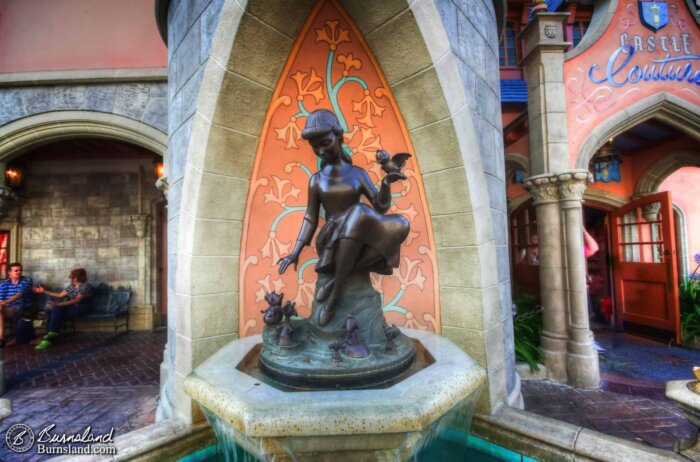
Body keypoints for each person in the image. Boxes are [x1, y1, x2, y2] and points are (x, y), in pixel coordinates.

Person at [278, 109, 409, 327]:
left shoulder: (358, 173)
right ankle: (334, 299)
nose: (321, 151)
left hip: (358, 238)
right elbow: (310, 218)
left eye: (325, 142)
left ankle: (334, 284)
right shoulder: (317, 180)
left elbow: (380, 207)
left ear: (339, 137)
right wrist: (295, 252)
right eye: (315, 146)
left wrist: (386, 184)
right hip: (331, 240)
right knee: (358, 211)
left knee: (401, 224)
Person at [34, 268, 94, 350]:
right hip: (73, 307)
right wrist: (44, 291)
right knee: (56, 311)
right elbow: (60, 295)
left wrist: (57, 304)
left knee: (56, 314)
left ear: (75, 278)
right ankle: (50, 336)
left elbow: (77, 300)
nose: (70, 278)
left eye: (71, 276)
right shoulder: (72, 287)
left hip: (83, 307)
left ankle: (48, 337)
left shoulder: (85, 286)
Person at [0, 262, 34, 347]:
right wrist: (2, 304)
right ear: (9, 272)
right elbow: (0, 298)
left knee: (2, 309)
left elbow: (19, 294)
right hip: (7, 308)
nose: (19, 272)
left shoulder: (27, 281)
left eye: (20, 270)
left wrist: (4, 303)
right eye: (16, 270)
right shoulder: (4, 284)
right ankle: (1, 337)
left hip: (24, 308)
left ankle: (1, 337)